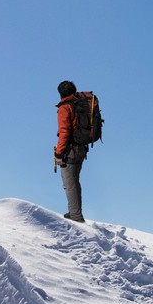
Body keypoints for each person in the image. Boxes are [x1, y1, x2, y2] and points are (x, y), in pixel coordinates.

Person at [54, 80, 87, 223]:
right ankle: (74, 211)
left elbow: (64, 131)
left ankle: (76, 216)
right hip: (81, 148)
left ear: (60, 94)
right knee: (75, 181)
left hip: (70, 150)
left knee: (69, 184)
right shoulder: (79, 103)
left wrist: (59, 152)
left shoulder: (65, 107)